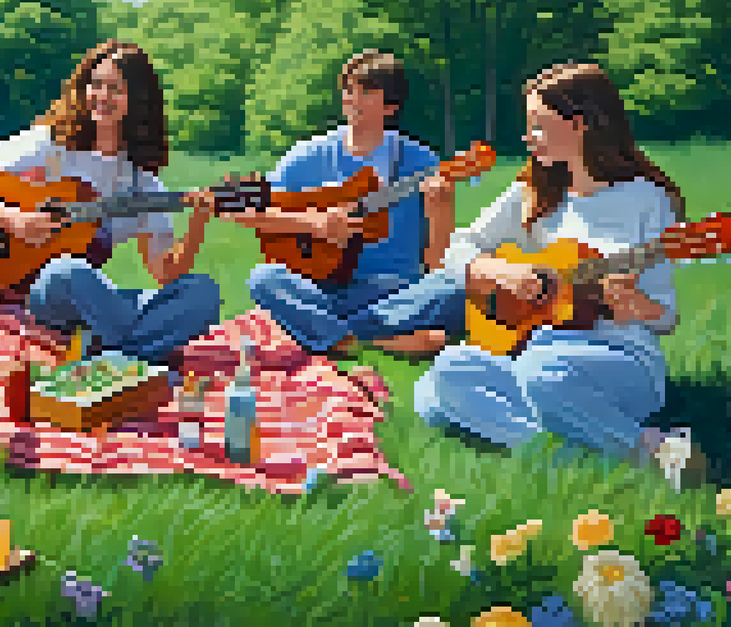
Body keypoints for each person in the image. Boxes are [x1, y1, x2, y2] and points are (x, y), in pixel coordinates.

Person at [348, 62, 685, 461]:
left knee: (539, 374)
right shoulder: (534, 190)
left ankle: (648, 454)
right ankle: (576, 455)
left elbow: (665, 316)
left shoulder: (646, 199)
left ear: (580, 125)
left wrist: (635, 305)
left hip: (621, 358)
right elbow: (459, 249)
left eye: (539, 125)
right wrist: (500, 270)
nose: (528, 138)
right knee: (444, 377)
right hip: (535, 349)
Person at [0, 39, 222, 368]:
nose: (101, 96)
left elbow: (165, 274)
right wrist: (15, 220)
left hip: (94, 300)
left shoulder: (143, 184)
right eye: (95, 84)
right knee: (69, 270)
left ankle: (114, 353)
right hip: (43, 293)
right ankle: (137, 353)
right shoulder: (49, 143)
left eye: (115, 88)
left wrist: (198, 222)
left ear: (139, 101)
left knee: (202, 292)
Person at [225, 50, 458, 359]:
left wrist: (441, 207)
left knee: (453, 290)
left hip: (396, 291)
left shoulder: (422, 162)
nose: (353, 99)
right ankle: (378, 337)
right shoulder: (309, 155)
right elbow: (249, 212)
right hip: (323, 288)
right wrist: (313, 224)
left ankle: (334, 333)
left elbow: (436, 261)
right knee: (265, 279)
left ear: (391, 106)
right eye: (349, 90)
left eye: (367, 91)